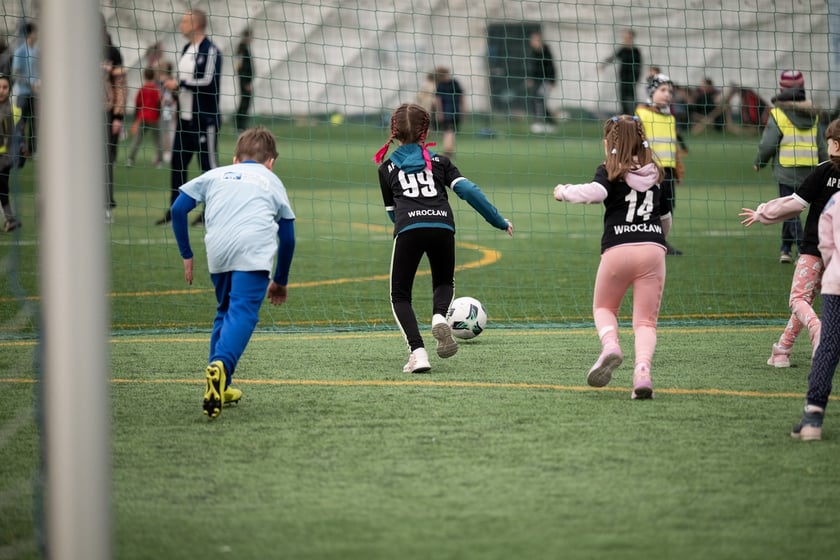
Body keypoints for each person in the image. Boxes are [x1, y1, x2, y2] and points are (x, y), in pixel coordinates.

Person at [373, 102, 513, 374]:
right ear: (425, 130)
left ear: (395, 132)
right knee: (444, 281)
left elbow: (392, 214)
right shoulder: (441, 163)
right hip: (442, 226)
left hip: (409, 229)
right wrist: (498, 221)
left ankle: (418, 353)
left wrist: (407, 221)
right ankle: (439, 316)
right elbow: (469, 191)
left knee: (400, 295)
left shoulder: (386, 169)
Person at [170, 126, 296, 420]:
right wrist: (281, 280)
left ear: (235, 159)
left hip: (218, 248)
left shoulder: (215, 174)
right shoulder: (271, 180)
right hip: (251, 250)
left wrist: (186, 255)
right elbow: (288, 237)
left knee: (225, 310)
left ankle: (220, 386)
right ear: (271, 162)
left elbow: (178, 209)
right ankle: (221, 366)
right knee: (242, 312)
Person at [553, 114, 666, 399]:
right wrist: (657, 238)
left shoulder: (610, 169)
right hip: (653, 250)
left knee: (604, 307)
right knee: (645, 323)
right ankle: (642, 373)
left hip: (618, 249)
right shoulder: (656, 173)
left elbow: (595, 193)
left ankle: (611, 345)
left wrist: (563, 191)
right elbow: (666, 219)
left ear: (610, 143)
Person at [740, 118, 840, 368]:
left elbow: (796, 203)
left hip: (815, 249)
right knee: (808, 299)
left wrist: (762, 213)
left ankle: (818, 329)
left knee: (798, 299)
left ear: (836, 145)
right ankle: (782, 350)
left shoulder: (824, 170)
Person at [156, 8, 222, 226]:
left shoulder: (210, 51)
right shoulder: (186, 49)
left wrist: (180, 84)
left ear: (196, 24)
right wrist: (173, 91)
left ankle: (210, 213)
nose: (181, 25)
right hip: (184, 121)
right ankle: (176, 211)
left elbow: (207, 81)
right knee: (177, 164)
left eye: (185, 21)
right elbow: (184, 82)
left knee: (209, 168)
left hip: (204, 121)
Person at [754, 70, 827, 263]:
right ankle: (785, 248)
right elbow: (821, 144)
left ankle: (802, 247)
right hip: (811, 172)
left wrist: (759, 162)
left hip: (786, 171)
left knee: (787, 209)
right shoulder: (814, 114)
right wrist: (826, 166)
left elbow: (768, 144)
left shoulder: (777, 114)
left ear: (782, 89)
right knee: (799, 208)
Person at [790, 187, 840, 440]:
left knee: (828, 346)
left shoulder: (835, 201)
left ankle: (812, 418)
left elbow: (826, 244)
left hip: (837, 284)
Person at [635, 73, 685, 255]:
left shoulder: (670, 118)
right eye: (662, 90)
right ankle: (647, 241)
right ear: (651, 92)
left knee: (668, 207)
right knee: (649, 207)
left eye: (670, 91)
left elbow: (672, 145)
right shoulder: (641, 114)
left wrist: (678, 167)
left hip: (668, 171)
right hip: (650, 171)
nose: (667, 94)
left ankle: (661, 241)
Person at [103, 17, 127, 224]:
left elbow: (120, 86)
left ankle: (105, 207)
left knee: (105, 161)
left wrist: (118, 116)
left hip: (106, 114)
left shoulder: (112, 52)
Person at [598, 29, 643, 115]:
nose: (626, 39)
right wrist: (603, 64)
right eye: (625, 37)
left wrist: (637, 78)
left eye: (628, 37)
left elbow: (639, 66)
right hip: (623, 78)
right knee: (623, 98)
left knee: (632, 98)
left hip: (632, 79)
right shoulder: (622, 49)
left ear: (632, 38)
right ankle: (624, 115)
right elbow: (613, 57)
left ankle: (635, 115)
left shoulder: (636, 51)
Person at [11, 22, 38, 159]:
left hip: (36, 93)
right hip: (22, 92)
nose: (37, 35)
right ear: (29, 34)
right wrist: (30, 83)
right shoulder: (20, 51)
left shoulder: (38, 50)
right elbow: (15, 73)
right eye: (35, 32)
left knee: (35, 123)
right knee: (21, 123)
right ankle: (18, 150)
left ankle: (33, 152)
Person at [126, 67, 162, 168]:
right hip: (153, 117)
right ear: (154, 75)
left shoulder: (142, 89)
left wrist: (135, 118)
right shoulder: (155, 89)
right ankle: (159, 161)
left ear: (144, 76)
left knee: (137, 139)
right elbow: (158, 103)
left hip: (142, 117)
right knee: (157, 139)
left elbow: (137, 105)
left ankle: (130, 159)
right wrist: (158, 115)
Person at [0, 72, 22, 232]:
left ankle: (10, 219)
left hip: (5, 158)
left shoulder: (15, 111)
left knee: (3, 188)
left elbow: (18, 137)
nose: (1, 90)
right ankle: (10, 219)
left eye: (5, 87)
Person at [525, 30, 557, 133]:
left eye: (536, 40)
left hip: (545, 81)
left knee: (539, 100)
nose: (534, 42)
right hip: (536, 81)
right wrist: (529, 78)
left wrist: (552, 81)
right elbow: (530, 67)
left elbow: (551, 67)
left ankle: (542, 123)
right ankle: (547, 123)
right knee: (536, 100)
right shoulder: (531, 52)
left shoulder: (546, 51)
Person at [433, 66, 464, 158]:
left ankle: (448, 150)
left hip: (455, 110)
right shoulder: (441, 85)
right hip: (447, 111)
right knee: (449, 130)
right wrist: (439, 112)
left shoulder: (454, 83)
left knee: (450, 131)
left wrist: (463, 109)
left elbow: (461, 96)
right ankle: (448, 150)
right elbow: (438, 100)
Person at [234, 27, 254, 133]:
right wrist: (246, 82)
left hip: (246, 81)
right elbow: (240, 67)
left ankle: (241, 125)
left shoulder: (244, 48)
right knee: (244, 103)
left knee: (245, 102)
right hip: (244, 82)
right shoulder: (242, 49)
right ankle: (240, 126)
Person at [158, 60, 177, 164]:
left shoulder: (170, 80)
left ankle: (168, 153)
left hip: (169, 107)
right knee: (167, 130)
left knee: (168, 130)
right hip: (166, 106)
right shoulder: (163, 80)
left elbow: (174, 94)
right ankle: (166, 152)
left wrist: (169, 102)